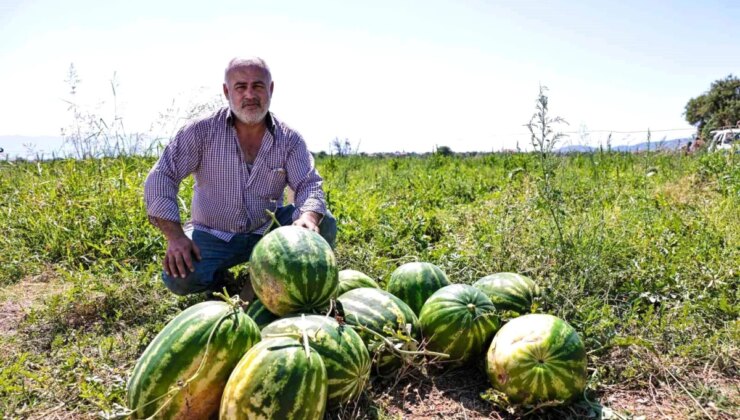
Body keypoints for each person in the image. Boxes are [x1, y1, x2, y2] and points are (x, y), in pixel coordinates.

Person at [144, 57, 336, 299]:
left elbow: (309, 184)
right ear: (226, 91)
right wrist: (176, 237)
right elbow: (162, 176)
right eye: (240, 87)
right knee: (179, 277)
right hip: (213, 235)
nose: (249, 95)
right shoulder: (201, 132)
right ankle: (221, 280)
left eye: (257, 86)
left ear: (271, 90)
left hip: (268, 231)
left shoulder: (289, 140)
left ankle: (274, 285)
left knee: (324, 221)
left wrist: (307, 217)